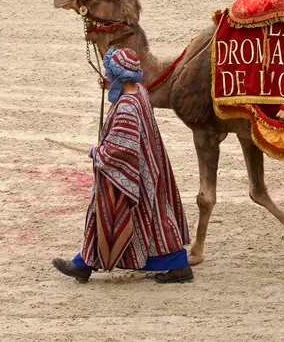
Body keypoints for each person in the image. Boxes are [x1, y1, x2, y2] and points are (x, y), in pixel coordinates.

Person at [52, 47, 193, 284]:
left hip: (132, 175)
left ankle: (84, 264)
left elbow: (122, 149)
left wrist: (98, 154)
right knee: (154, 217)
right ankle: (83, 264)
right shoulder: (140, 92)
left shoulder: (127, 106)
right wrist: (111, 87)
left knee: (110, 214)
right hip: (149, 169)